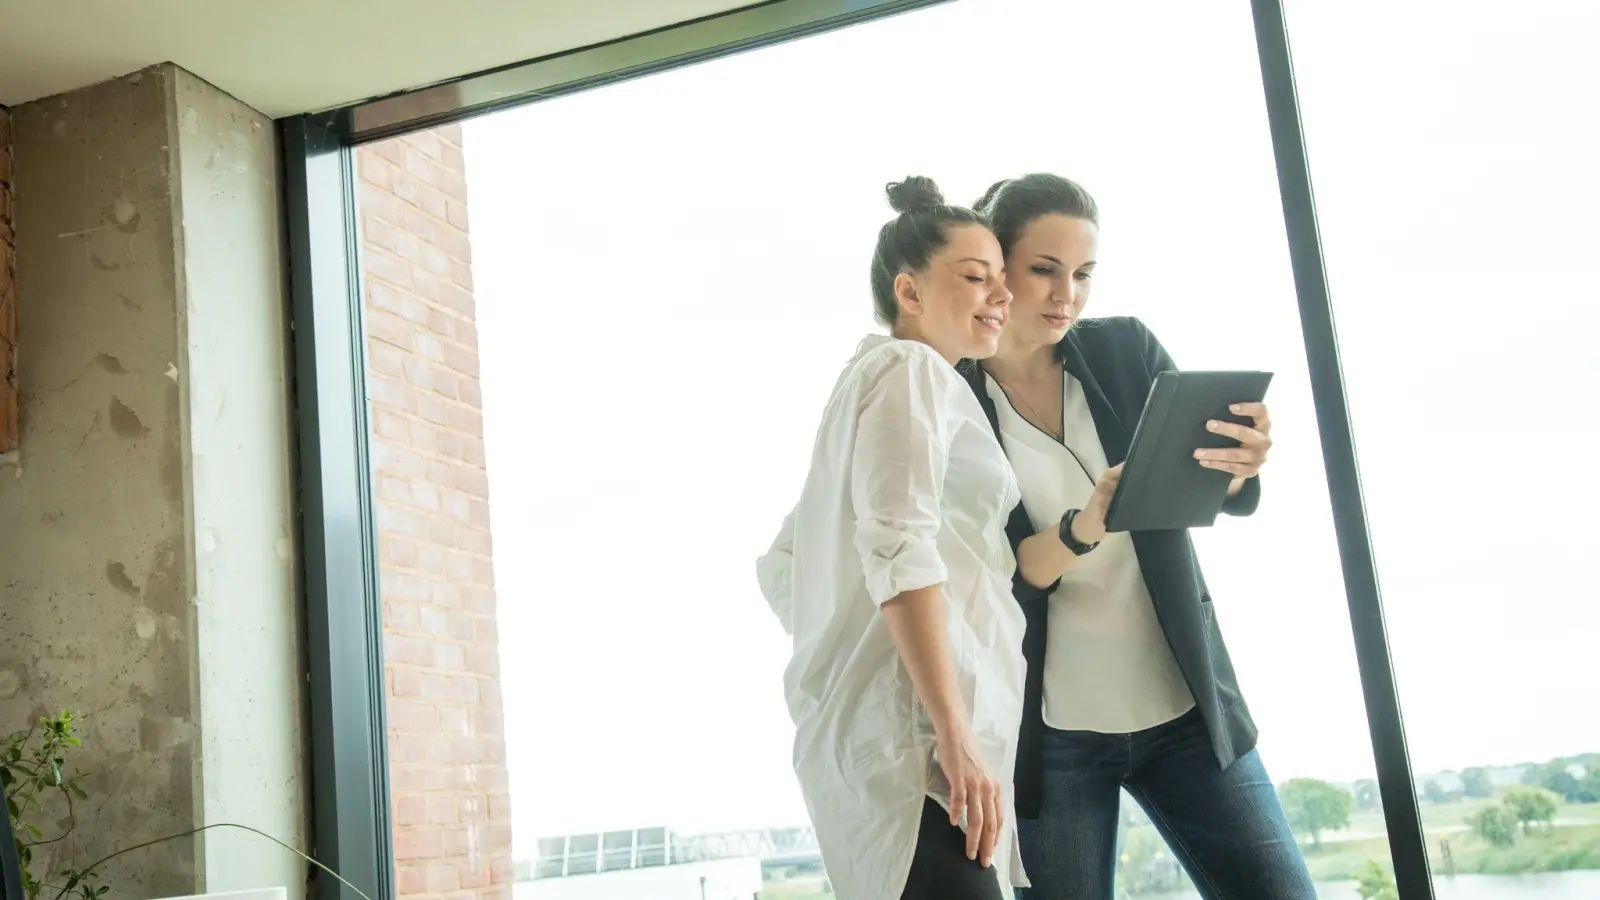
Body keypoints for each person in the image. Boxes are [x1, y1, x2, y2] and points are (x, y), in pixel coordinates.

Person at [960, 174, 1315, 899]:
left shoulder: (1124, 350)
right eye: (1044, 270)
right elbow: (1007, 570)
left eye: (1083, 274)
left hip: (1185, 708)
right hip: (1054, 736)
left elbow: (1200, 484)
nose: (1068, 295)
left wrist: (1240, 469)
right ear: (997, 265)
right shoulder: (953, 396)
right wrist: (1086, 523)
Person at [756, 177, 1028, 900]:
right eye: (976, 278)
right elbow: (900, 545)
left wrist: (847, 649)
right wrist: (952, 729)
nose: (1002, 296)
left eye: (1003, 278)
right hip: (919, 755)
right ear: (909, 292)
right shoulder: (911, 371)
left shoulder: (870, 382)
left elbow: (786, 563)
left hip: (883, 744)